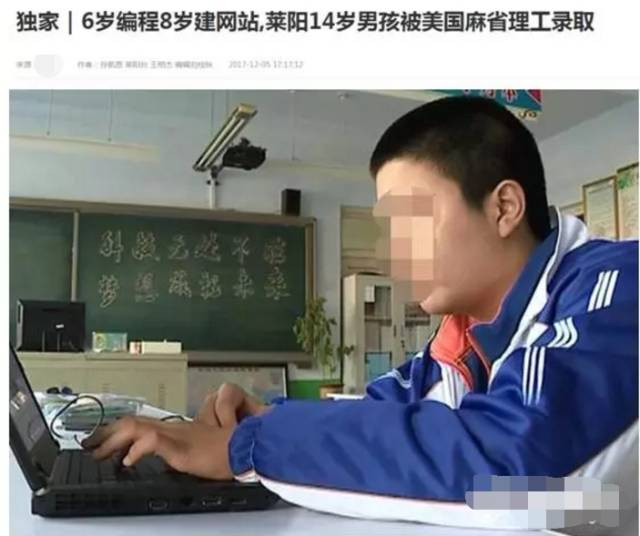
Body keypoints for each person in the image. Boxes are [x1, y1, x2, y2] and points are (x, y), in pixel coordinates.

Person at [83, 96, 638, 529]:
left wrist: (247, 447)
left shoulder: (617, 287)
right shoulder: (461, 340)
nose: (392, 255)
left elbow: (522, 476)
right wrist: (265, 418)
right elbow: (380, 415)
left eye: (410, 222)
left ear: (505, 208)